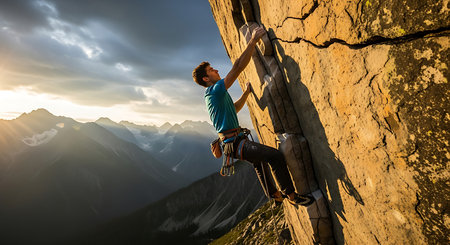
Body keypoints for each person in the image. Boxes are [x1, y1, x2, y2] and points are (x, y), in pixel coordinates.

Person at [192, 26, 313, 206]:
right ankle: (292, 196)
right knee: (274, 157)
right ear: (206, 79)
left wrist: (247, 93)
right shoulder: (214, 91)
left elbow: (234, 108)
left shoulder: (215, 95)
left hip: (233, 143)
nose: (216, 70)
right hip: (235, 143)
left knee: (258, 163)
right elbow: (238, 67)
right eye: (211, 70)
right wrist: (253, 41)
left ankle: (274, 194)